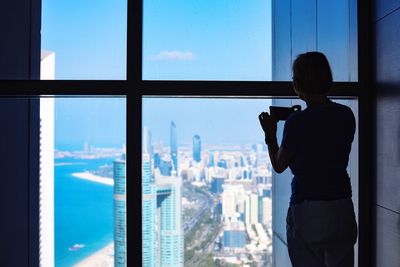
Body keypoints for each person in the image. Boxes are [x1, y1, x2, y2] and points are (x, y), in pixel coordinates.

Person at [259, 52, 357, 267]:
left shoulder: (297, 122)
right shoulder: (346, 115)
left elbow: (279, 164)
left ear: (298, 84)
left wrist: (270, 135)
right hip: (342, 207)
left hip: (308, 210)